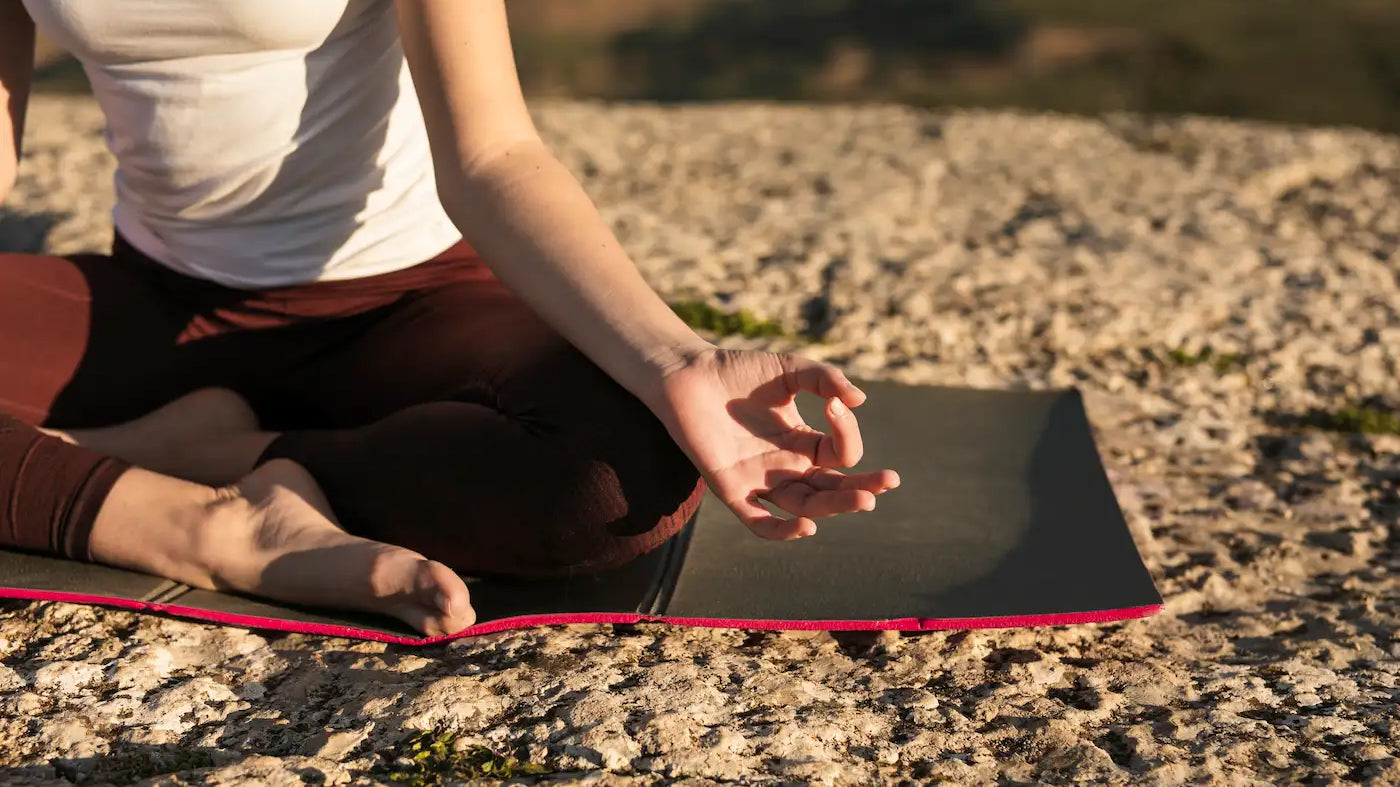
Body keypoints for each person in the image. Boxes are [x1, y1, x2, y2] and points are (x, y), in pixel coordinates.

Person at [0, 0, 899, 636]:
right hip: (157, 306)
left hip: (406, 304)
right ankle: (202, 524)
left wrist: (675, 361)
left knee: (623, 472)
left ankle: (222, 450)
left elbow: (492, 153)